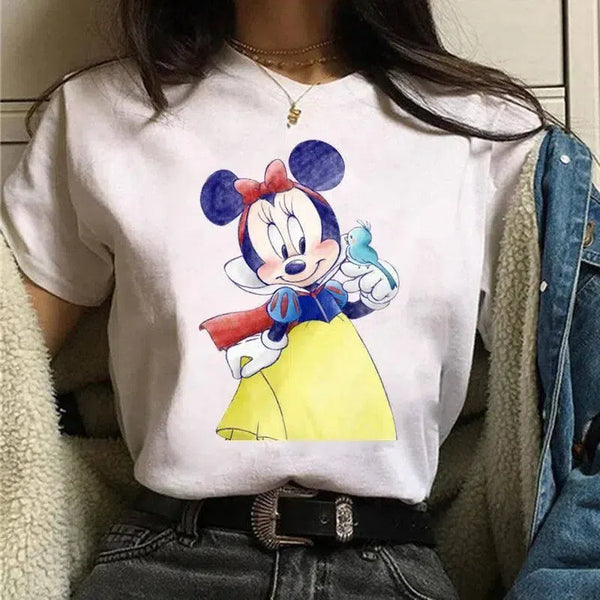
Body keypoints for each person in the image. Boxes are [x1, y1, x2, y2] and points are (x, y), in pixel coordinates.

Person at [0, 1, 565, 598]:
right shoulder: (99, 113)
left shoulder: (486, 131)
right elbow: (14, 361)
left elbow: (568, 406)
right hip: (169, 563)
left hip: (390, 565)